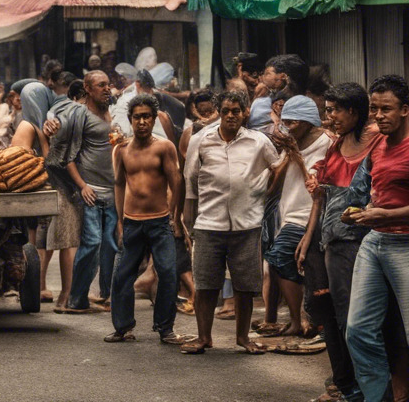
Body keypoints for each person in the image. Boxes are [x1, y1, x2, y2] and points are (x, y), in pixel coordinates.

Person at [346, 75, 409, 402]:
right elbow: (378, 194)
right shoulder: (377, 145)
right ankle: (377, 397)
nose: (379, 115)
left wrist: (383, 214)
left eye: (386, 109)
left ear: (405, 110)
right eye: (374, 109)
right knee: (357, 330)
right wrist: (368, 210)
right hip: (375, 242)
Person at [180, 90, 281, 355]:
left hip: (247, 225)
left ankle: (243, 338)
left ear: (245, 112)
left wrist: (265, 193)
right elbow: (190, 183)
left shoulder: (259, 141)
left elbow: (278, 167)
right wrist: (187, 223)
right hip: (208, 224)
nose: (231, 116)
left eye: (236, 111)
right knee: (205, 284)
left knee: (245, 286)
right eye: (226, 111)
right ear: (219, 112)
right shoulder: (201, 140)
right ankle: (204, 338)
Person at [301, 82, 378, 401]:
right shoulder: (335, 145)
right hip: (330, 239)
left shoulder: (376, 141)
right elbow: (324, 196)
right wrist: (310, 236)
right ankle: (345, 383)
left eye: (334, 110)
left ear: (354, 112)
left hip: (358, 241)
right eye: (326, 109)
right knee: (328, 309)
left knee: (355, 318)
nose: (328, 116)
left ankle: (361, 388)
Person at [106, 94, 191, 344]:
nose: (142, 121)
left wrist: (175, 217)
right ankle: (123, 327)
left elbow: (177, 182)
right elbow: (120, 184)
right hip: (132, 221)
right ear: (131, 120)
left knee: (167, 272)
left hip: (160, 221)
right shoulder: (121, 150)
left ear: (153, 119)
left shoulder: (163, 147)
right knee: (122, 276)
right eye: (137, 117)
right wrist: (120, 220)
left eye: (146, 117)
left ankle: (165, 328)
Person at [262, 94, 329, 339]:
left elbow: (315, 185)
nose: (288, 128)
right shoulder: (292, 143)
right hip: (288, 214)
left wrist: (297, 157)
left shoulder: (327, 144)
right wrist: (287, 154)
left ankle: (300, 320)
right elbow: (272, 186)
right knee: (285, 263)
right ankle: (297, 320)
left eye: (293, 123)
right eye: (285, 122)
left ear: (308, 121)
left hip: (309, 215)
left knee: (280, 257)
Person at [53, 71, 117, 314]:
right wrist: (82, 186)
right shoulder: (80, 114)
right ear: (88, 89)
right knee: (92, 242)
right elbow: (68, 157)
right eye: (101, 85)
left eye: (108, 85)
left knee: (110, 245)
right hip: (91, 191)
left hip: (113, 191)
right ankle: (76, 299)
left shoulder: (112, 112)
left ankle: (103, 295)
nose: (106, 89)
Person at [42, 80, 88, 308]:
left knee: (75, 241)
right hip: (68, 186)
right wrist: (78, 184)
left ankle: (72, 295)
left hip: (74, 185)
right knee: (70, 242)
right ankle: (67, 296)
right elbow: (62, 156)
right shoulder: (70, 114)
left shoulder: (60, 111)